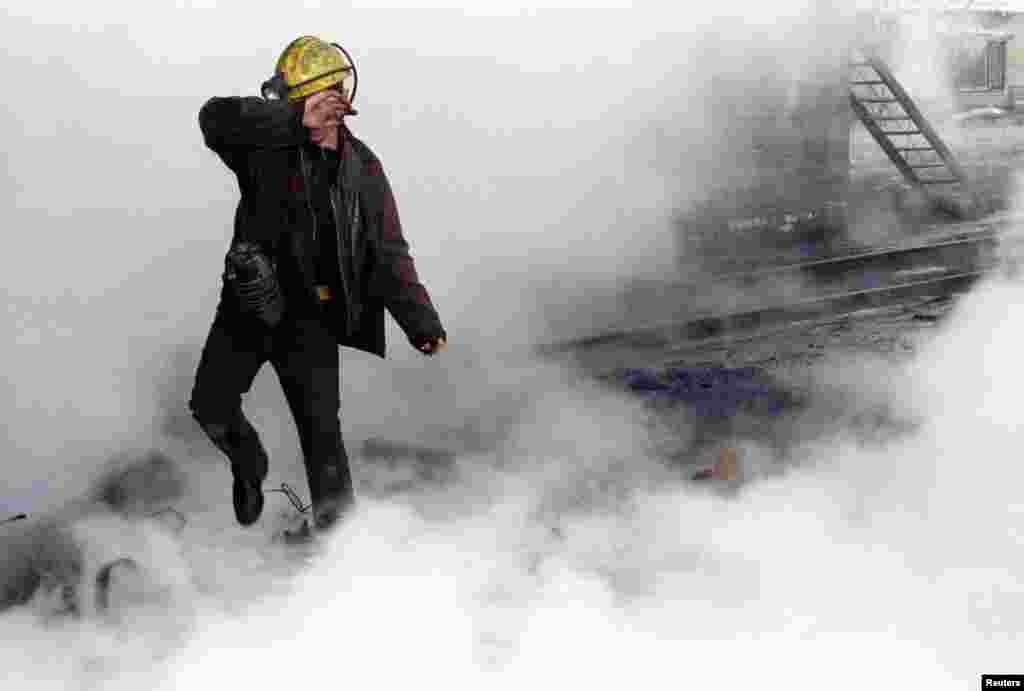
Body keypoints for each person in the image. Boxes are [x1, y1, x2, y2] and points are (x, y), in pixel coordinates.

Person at [188, 35, 447, 534]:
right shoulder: (264, 146)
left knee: (323, 437)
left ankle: (339, 548)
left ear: (343, 101)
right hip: (248, 306)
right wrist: (292, 123)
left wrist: (421, 322)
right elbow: (211, 117)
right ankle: (250, 461)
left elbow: (389, 252)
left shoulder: (363, 169)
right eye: (305, 100)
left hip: (311, 322)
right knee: (209, 405)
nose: (323, 110)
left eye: (328, 99)